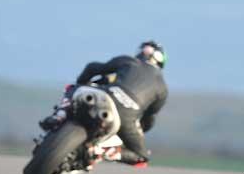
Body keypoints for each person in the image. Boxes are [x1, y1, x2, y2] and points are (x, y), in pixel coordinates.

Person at [39, 40, 169, 166]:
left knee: (75, 88)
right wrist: (139, 130)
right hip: (126, 118)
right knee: (141, 156)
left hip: (105, 96)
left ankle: (60, 115)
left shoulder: (130, 61)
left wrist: (81, 82)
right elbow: (150, 117)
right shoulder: (162, 88)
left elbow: (92, 67)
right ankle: (100, 152)